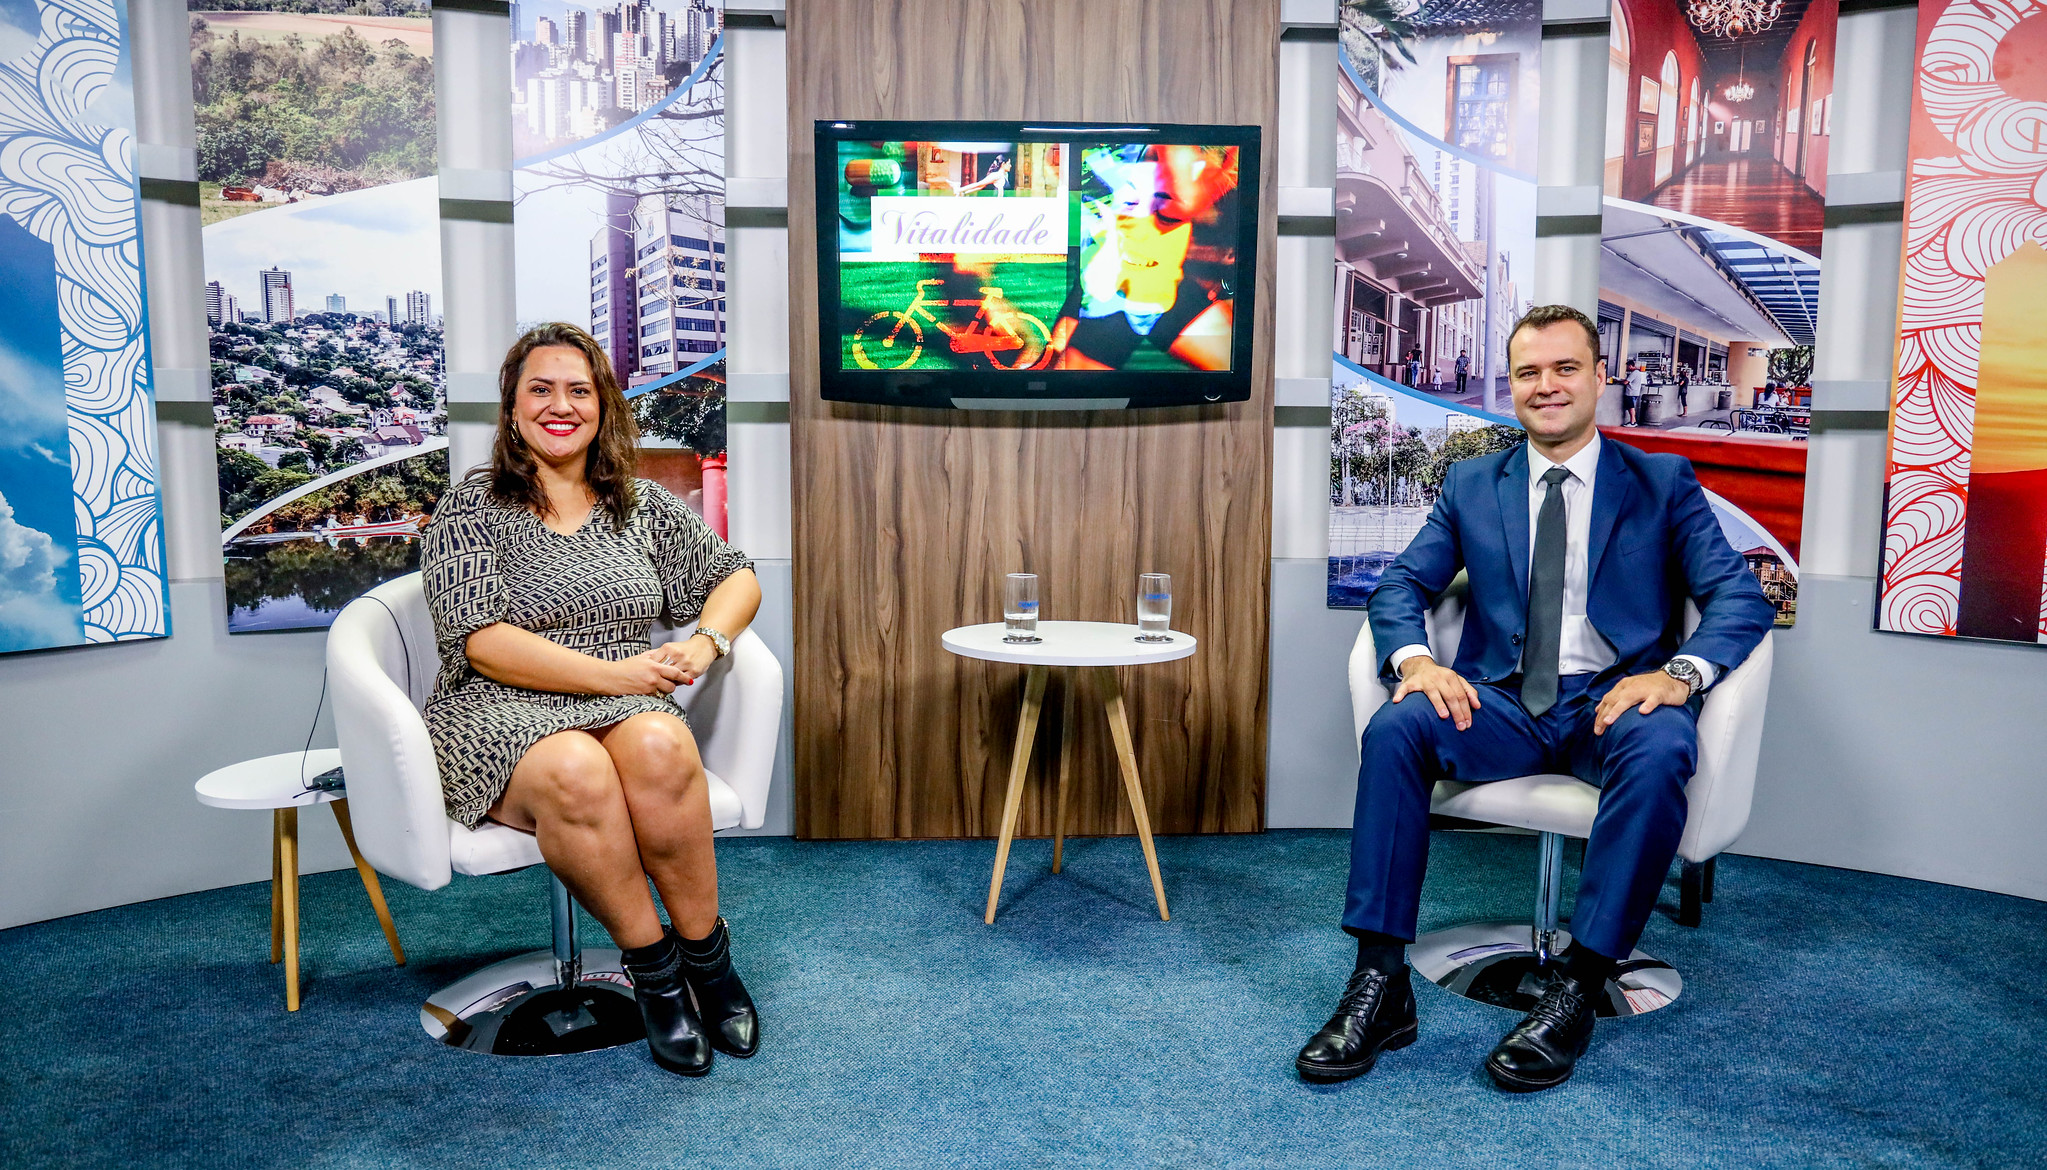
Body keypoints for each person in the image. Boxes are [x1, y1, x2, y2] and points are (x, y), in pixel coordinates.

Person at [1294, 304, 1773, 1092]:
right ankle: (1379, 983)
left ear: (1599, 377)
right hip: (1503, 703)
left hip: (1612, 703)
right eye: (1527, 372)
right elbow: (1401, 585)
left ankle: (1577, 988)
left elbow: (1737, 597)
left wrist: (1679, 675)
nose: (1545, 385)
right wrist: (1416, 661)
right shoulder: (1472, 483)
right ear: (1511, 386)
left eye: (1563, 368)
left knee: (1662, 744)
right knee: (1397, 727)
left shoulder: (1660, 483)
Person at [420, 323, 765, 1078]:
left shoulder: (638, 503)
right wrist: (622, 678)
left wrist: (705, 644)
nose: (560, 406)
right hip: (499, 704)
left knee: (661, 745)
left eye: (578, 390)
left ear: (602, 406)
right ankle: (656, 976)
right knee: (577, 769)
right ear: (512, 407)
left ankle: (709, 963)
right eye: (540, 389)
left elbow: (736, 577)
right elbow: (482, 642)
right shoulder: (470, 506)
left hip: (626, 694)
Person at [1623, 360, 1647, 427]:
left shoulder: (1634, 373)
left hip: (1631, 392)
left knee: (1631, 408)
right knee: (1632, 407)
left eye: (1628, 366)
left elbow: (1626, 382)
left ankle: (1632, 422)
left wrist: (1619, 381)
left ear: (1630, 366)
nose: (1627, 368)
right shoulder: (1638, 373)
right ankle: (1634, 421)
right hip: (1635, 392)